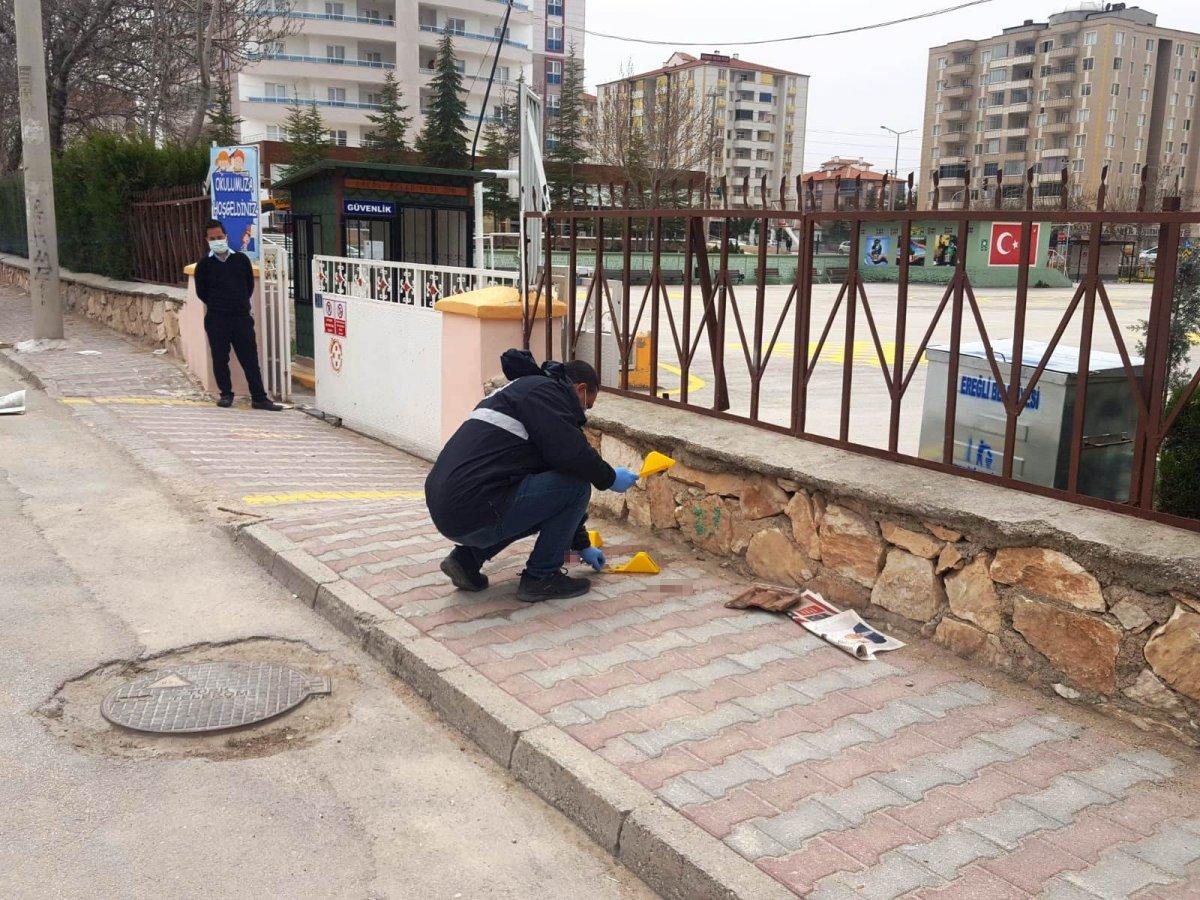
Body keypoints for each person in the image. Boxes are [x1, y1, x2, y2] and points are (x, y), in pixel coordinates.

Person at [425, 350, 639, 603]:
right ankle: (541, 577)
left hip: (451, 507)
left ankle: (466, 560)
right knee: (578, 487)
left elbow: (552, 490)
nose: (585, 412)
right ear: (580, 389)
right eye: (587, 404)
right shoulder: (544, 394)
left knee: (534, 498)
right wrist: (610, 478)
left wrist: (582, 545)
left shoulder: (524, 392)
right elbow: (573, 455)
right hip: (474, 505)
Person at [193, 219, 282, 411]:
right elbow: (202, 292)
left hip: (241, 317)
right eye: (213, 238)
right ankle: (226, 394)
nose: (217, 240)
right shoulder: (204, 265)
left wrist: (238, 303)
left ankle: (259, 398)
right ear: (207, 240)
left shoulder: (241, 261)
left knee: (249, 358)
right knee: (219, 357)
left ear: (226, 236)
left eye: (220, 237)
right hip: (217, 318)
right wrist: (219, 304)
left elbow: (248, 286)